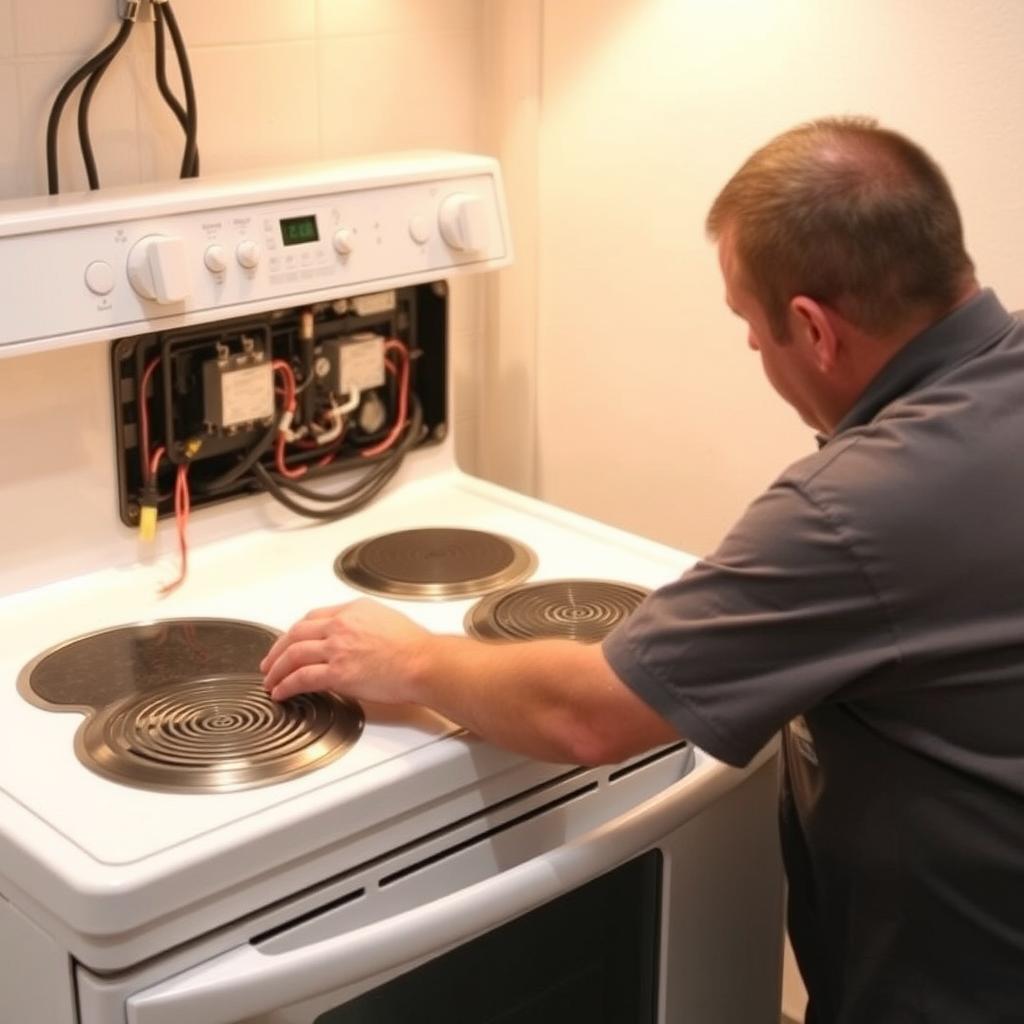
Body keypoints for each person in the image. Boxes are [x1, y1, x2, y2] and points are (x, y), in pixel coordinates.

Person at [262, 116, 1024, 1022]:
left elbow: (589, 716)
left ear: (814, 330)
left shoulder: (859, 508)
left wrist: (413, 658)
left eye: (750, 326)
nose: (753, 350)